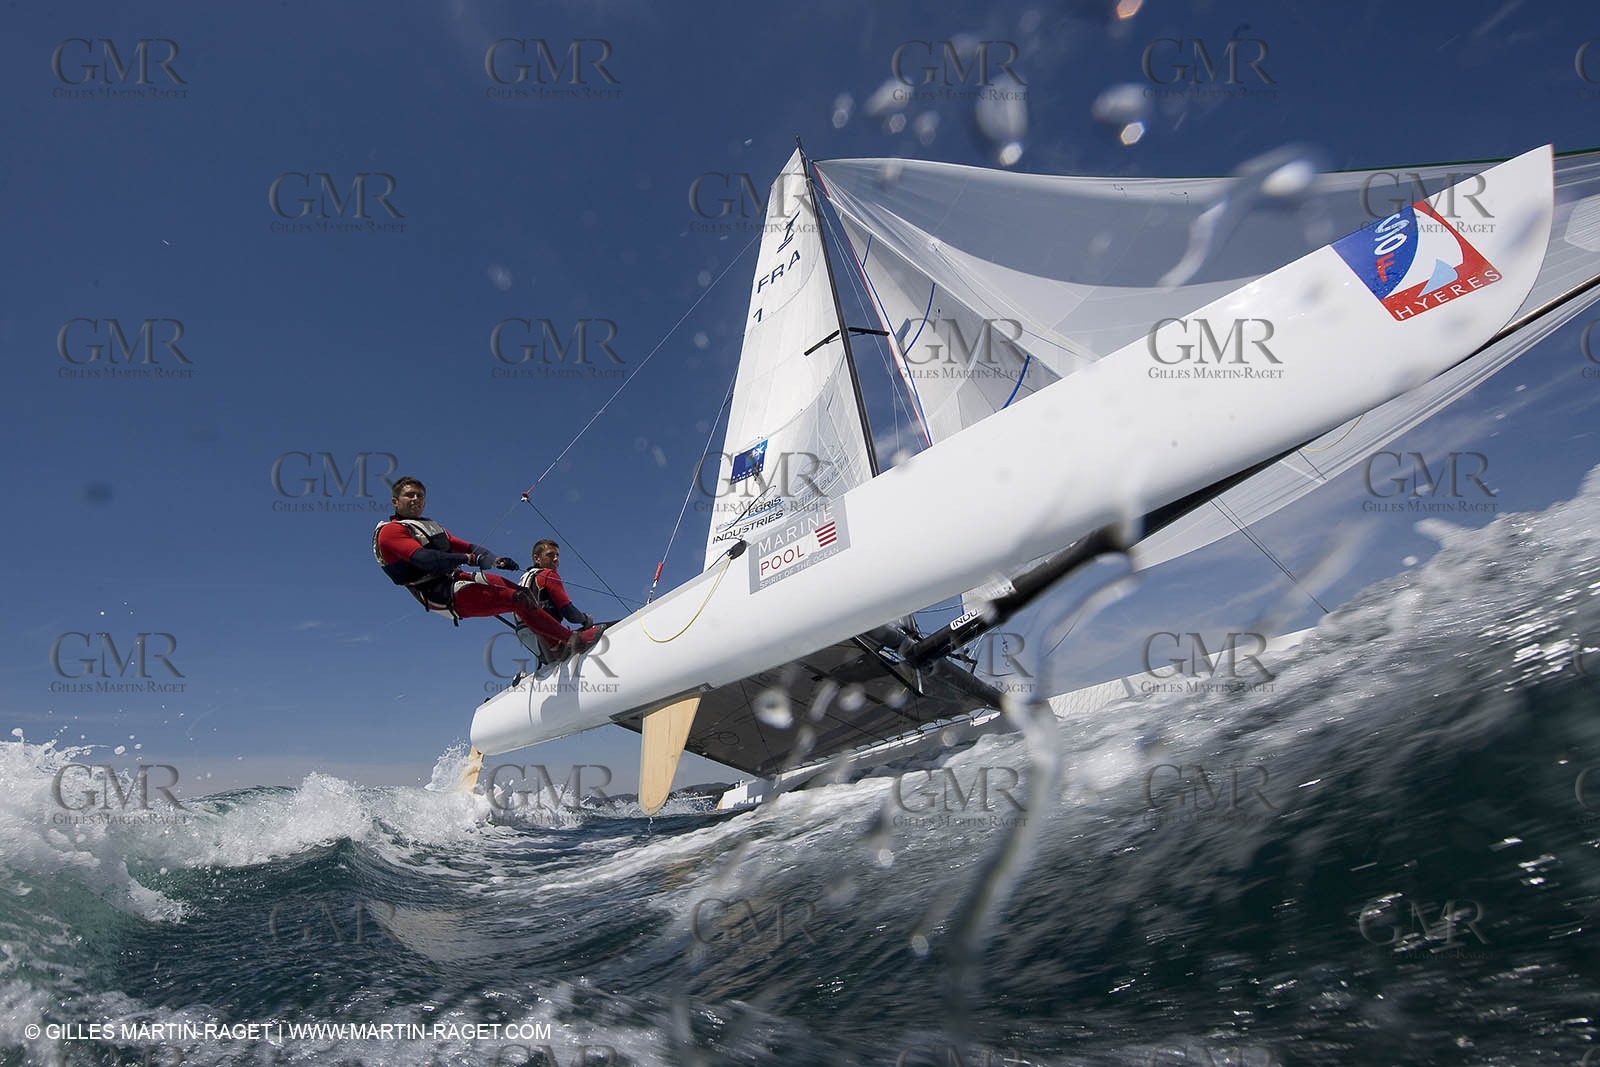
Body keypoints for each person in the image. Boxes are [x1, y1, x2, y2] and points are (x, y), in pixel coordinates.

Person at [372, 477, 598, 661]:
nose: (415, 499)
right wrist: (469, 558)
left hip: (456, 578)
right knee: (516, 599)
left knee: (523, 595)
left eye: (420, 495)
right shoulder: (390, 532)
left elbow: (468, 546)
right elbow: (425, 559)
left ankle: (555, 645)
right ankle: (571, 641)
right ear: (395, 501)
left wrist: (497, 560)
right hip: (441, 594)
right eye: (409, 495)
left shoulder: (430, 527)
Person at [518, 540, 597, 634]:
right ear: (537, 559)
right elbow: (569, 613)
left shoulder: (523, 580)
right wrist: (585, 619)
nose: (555, 559)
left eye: (557, 555)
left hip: (526, 635)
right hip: (548, 634)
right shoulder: (547, 575)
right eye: (550, 555)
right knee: (604, 628)